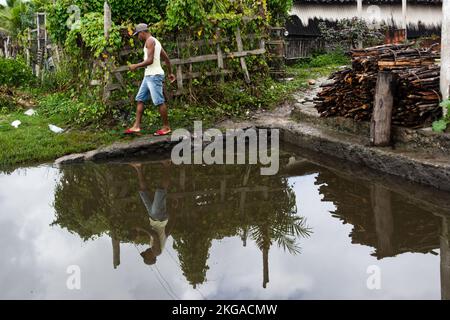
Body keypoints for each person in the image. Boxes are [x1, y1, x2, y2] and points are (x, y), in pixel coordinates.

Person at [125, 23, 176, 136]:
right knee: (140, 99)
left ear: (143, 32)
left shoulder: (149, 41)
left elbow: (150, 61)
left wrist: (135, 66)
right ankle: (136, 126)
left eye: (138, 35)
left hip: (154, 76)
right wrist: (170, 73)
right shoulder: (156, 41)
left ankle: (166, 127)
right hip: (148, 75)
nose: (138, 37)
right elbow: (166, 58)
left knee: (159, 101)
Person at [130, 161, 174, 266]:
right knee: (160, 191)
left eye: (144, 253)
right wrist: (140, 229)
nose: (145, 252)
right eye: (145, 255)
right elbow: (154, 234)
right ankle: (167, 164)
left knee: (143, 192)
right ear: (151, 258)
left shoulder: (153, 247)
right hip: (158, 218)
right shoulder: (157, 252)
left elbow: (166, 233)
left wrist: (172, 214)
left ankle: (138, 167)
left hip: (154, 217)